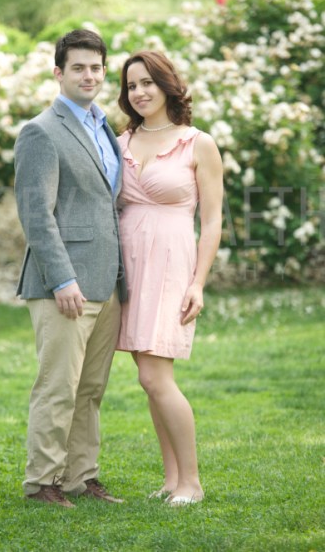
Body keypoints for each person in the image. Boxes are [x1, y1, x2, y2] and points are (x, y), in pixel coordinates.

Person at [14, 29, 127, 509]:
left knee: (91, 389)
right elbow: (36, 214)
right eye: (78, 67)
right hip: (63, 285)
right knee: (58, 386)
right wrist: (62, 278)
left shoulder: (104, 127)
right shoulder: (41, 131)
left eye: (96, 67)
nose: (89, 76)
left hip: (106, 282)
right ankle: (42, 481)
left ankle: (81, 476)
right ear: (58, 73)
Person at [116, 50, 223, 507]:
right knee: (148, 378)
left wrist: (198, 282)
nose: (139, 92)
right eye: (131, 85)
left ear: (166, 85)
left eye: (147, 83)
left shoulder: (198, 143)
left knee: (156, 376)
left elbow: (213, 220)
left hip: (171, 264)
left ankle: (192, 483)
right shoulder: (120, 140)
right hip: (129, 264)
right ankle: (171, 478)